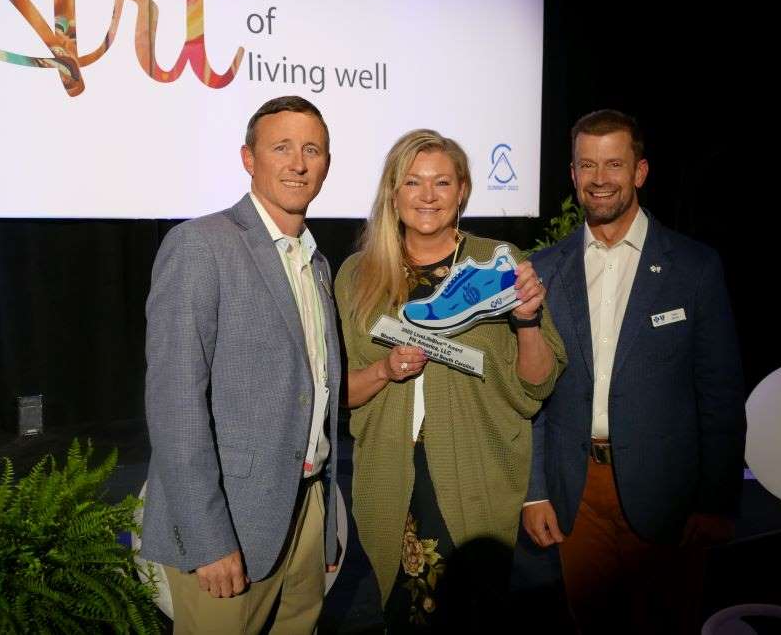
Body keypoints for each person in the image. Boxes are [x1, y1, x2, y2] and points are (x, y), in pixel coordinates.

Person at [520, 109, 746, 633]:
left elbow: (720, 394)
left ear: (639, 172)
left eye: (614, 164)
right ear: (573, 175)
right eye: (588, 166)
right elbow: (534, 394)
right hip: (577, 494)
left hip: (668, 495)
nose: (601, 179)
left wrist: (717, 501)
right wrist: (536, 491)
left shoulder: (694, 267)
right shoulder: (543, 270)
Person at [334, 129, 567, 631]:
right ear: (392, 193)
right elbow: (339, 393)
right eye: (413, 182)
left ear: (462, 190)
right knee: (402, 612)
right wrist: (385, 369)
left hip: (476, 469)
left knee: (471, 614)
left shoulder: (501, 261)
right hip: (390, 470)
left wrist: (527, 322)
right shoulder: (357, 275)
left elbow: (538, 384)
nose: (428, 196)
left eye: (442, 182)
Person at [141, 96, 340, 634]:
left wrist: (324, 525)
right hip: (230, 526)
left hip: (305, 513)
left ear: (326, 164)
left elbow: (312, 393)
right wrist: (209, 540)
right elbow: (175, 406)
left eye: (312, 149)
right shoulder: (200, 245)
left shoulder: (316, 263)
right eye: (281, 148)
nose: (298, 162)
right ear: (249, 159)